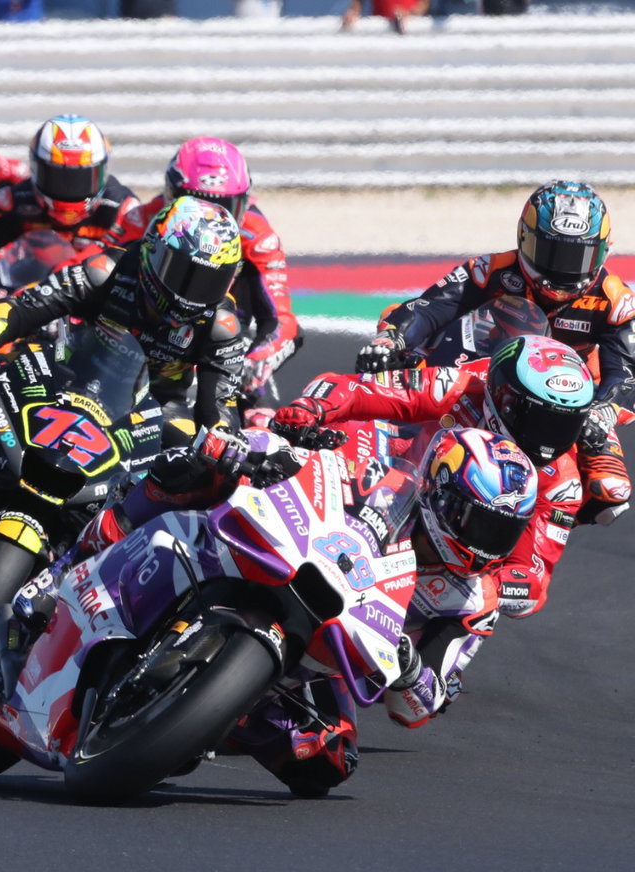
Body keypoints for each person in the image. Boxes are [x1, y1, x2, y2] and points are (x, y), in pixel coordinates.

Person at [60, 422, 537, 793]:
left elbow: (420, 707)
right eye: (475, 522)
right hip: (295, 551)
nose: (483, 544)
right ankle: (94, 539)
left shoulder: (475, 600)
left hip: (332, 647)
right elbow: (309, 451)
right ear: (440, 490)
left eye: (501, 533)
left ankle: (202, 719)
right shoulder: (388, 472)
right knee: (203, 462)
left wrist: (410, 668)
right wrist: (271, 448)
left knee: (327, 760)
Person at [272, 335, 600, 726]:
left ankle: (408, 669)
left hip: (451, 559)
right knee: (275, 440)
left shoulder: (562, 482)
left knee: (483, 605)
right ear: (505, 397)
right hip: (387, 493)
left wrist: (488, 570)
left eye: (566, 425)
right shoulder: (462, 387)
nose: (550, 440)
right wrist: (311, 411)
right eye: (542, 420)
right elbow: (359, 389)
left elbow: (532, 581)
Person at [357, 180, 632, 526]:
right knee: (391, 336)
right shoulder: (491, 270)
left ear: (602, 251)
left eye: (577, 257)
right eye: (551, 253)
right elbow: (428, 308)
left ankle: (538, 522)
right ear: (524, 238)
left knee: (611, 493)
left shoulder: (614, 300)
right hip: (490, 378)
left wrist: (602, 412)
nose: (562, 270)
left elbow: (626, 372)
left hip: (566, 405)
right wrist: (392, 340)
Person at [0, 195, 248, 438]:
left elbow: (221, 408)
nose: (192, 294)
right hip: (73, 381)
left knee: (202, 468)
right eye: (185, 275)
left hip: (157, 410)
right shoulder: (106, 271)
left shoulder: (222, 325)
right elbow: (24, 305)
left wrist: (221, 441)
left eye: (211, 282)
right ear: (153, 252)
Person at [107, 137, 299, 410]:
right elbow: (84, 272)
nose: (206, 217)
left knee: (263, 423)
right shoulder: (142, 218)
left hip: (222, 345)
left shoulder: (258, 235)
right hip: (137, 338)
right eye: (194, 201)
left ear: (243, 202)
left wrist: (254, 362)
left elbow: (283, 322)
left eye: (225, 206)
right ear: (170, 195)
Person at [0, 114, 139, 319]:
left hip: (92, 308)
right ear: (36, 170)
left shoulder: (124, 210)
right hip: (27, 300)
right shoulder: (15, 200)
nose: (69, 189)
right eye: (58, 178)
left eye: (80, 179)